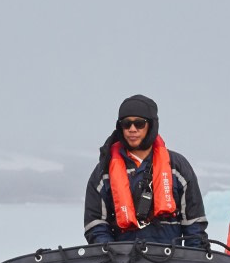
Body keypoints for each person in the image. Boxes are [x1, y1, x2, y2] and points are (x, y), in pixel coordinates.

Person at [84, 94, 208, 246]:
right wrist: (112, 253)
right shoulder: (103, 172)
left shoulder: (177, 167)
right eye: (126, 124)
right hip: (122, 258)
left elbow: (194, 226)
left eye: (139, 123)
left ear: (151, 125)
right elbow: (96, 224)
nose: (132, 129)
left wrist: (193, 257)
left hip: (170, 257)